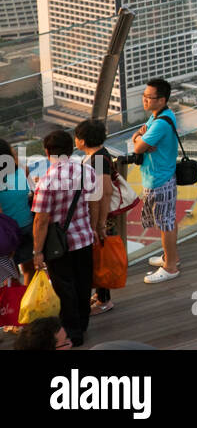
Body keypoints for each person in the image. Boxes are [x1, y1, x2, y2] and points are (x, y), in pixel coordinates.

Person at [31, 129, 101, 348]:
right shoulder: (86, 171)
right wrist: (94, 228)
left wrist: (37, 251)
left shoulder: (46, 182)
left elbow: (41, 221)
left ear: (47, 152)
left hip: (58, 247)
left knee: (64, 288)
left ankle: (73, 332)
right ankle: (83, 323)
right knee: (83, 283)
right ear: (71, 149)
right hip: (84, 238)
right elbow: (93, 203)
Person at [131, 78, 180, 283]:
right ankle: (171, 258)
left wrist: (140, 141)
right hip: (162, 175)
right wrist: (139, 138)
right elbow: (138, 137)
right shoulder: (161, 116)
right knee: (167, 220)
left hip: (159, 179)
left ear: (161, 100)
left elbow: (137, 148)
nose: (145, 101)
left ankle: (170, 268)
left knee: (165, 224)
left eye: (149, 98)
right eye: (144, 96)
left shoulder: (159, 123)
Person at [73, 121, 120, 314]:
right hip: (100, 216)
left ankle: (104, 300)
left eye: (76, 137)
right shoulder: (98, 155)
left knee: (99, 258)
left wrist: (99, 224)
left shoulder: (98, 159)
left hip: (102, 216)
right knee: (97, 256)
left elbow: (105, 191)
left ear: (82, 140)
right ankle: (101, 296)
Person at [1, 138, 33, 285]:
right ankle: (29, 301)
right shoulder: (22, 170)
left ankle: (17, 303)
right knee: (28, 268)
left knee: (11, 275)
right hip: (27, 224)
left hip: (7, 233)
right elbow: (29, 193)